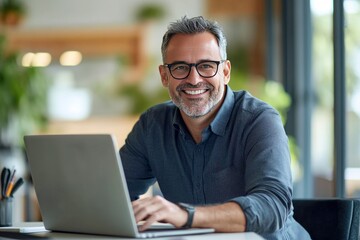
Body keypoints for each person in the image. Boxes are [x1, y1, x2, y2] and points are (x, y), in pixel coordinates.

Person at [119, 16, 310, 239]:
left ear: (225, 72)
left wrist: (185, 215)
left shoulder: (259, 120)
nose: (194, 79)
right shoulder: (152, 126)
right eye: (180, 67)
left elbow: (273, 207)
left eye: (206, 66)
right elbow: (113, 195)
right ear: (164, 75)